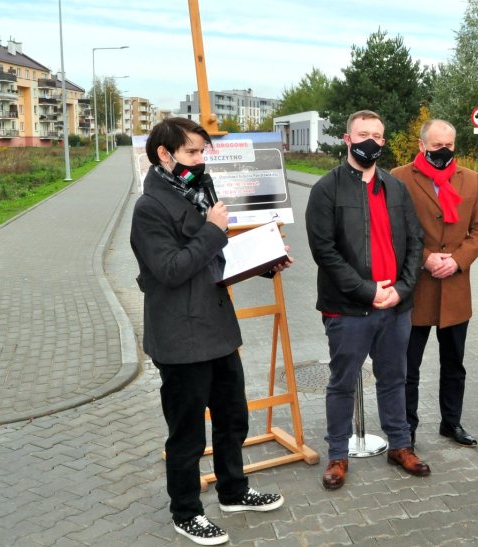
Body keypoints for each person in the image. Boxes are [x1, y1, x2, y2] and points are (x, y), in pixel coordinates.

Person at [130, 117, 285, 546]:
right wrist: (215, 229)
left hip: (217, 328)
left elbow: (216, 260)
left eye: (202, 152)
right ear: (165, 154)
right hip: (180, 337)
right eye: (192, 152)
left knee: (233, 418)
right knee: (187, 434)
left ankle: (233, 492)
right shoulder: (149, 208)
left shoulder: (199, 191)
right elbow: (171, 269)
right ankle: (186, 512)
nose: (200, 160)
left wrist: (265, 261)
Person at [305, 110, 430, 490]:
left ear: (383, 142)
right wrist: (368, 290)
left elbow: (415, 242)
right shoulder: (326, 189)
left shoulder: (396, 188)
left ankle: (400, 445)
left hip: (395, 305)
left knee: (394, 378)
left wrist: (401, 289)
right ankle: (337, 455)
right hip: (348, 308)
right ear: (347, 139)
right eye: (363, 134)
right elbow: (325, 252)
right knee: (342, 382)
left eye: (377, 136)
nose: (370, 142)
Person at [390, 119, 478, 448]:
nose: (444, 151)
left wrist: (458, 260)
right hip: (416, 287)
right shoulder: (399, 178)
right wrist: (426, 258)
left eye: (449, 146)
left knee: (454, 364)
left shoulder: (471, 179)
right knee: (409, 367)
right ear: (422, 145)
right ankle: (406, 431)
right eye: (437, 146)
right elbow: (393, 230)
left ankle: (451, 422)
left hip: (455, 287)